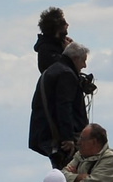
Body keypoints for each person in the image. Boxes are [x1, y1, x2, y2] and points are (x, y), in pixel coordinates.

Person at [29, 41, 91, 169]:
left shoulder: (51, 71)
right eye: (83, 61)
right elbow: (64, 106)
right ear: (74, 58)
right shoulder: (66, 74)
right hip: (60, 138)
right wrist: (67, 137)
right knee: (70, 173)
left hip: (44, 133)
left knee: (62, 173)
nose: (84, 66)